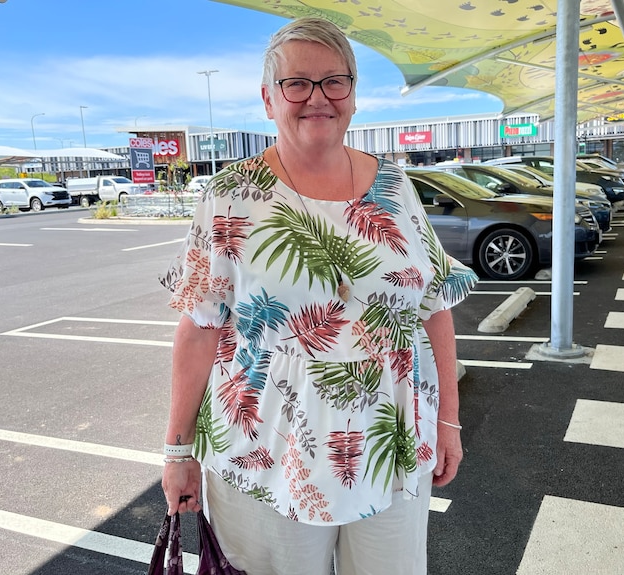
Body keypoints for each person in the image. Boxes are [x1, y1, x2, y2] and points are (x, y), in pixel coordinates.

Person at [158, 17, 478, 575]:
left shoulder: (397, 188)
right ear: (267, 99)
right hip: (264, 451)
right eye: (296, 83)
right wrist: (177, 451)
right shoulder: (231, 195)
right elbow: (200, 325)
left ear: (353, 95)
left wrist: (448, 422)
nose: (317, 98)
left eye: (335, 81)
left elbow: (434, 309)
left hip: (390, 444)